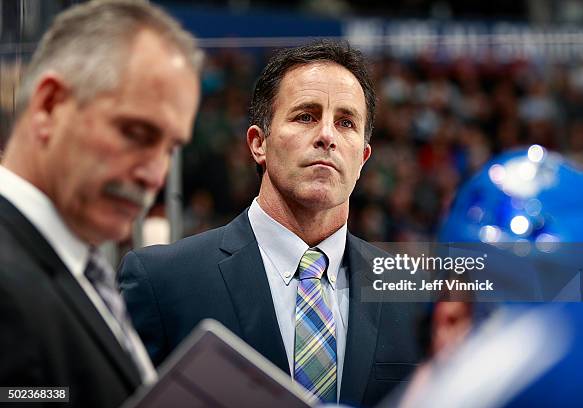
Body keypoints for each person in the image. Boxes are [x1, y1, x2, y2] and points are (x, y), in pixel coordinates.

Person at [119, 40, 429, 407]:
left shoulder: (414, 297)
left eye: (346, 122)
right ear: (258, 143)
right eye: (305, 116)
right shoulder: (163, 282)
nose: (327, 136)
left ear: (362, 158)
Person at [0, 1, 201, 407]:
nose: (155, 175)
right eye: (137, 133)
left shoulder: (77, 268)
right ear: (50, 106)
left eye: (170, 148)